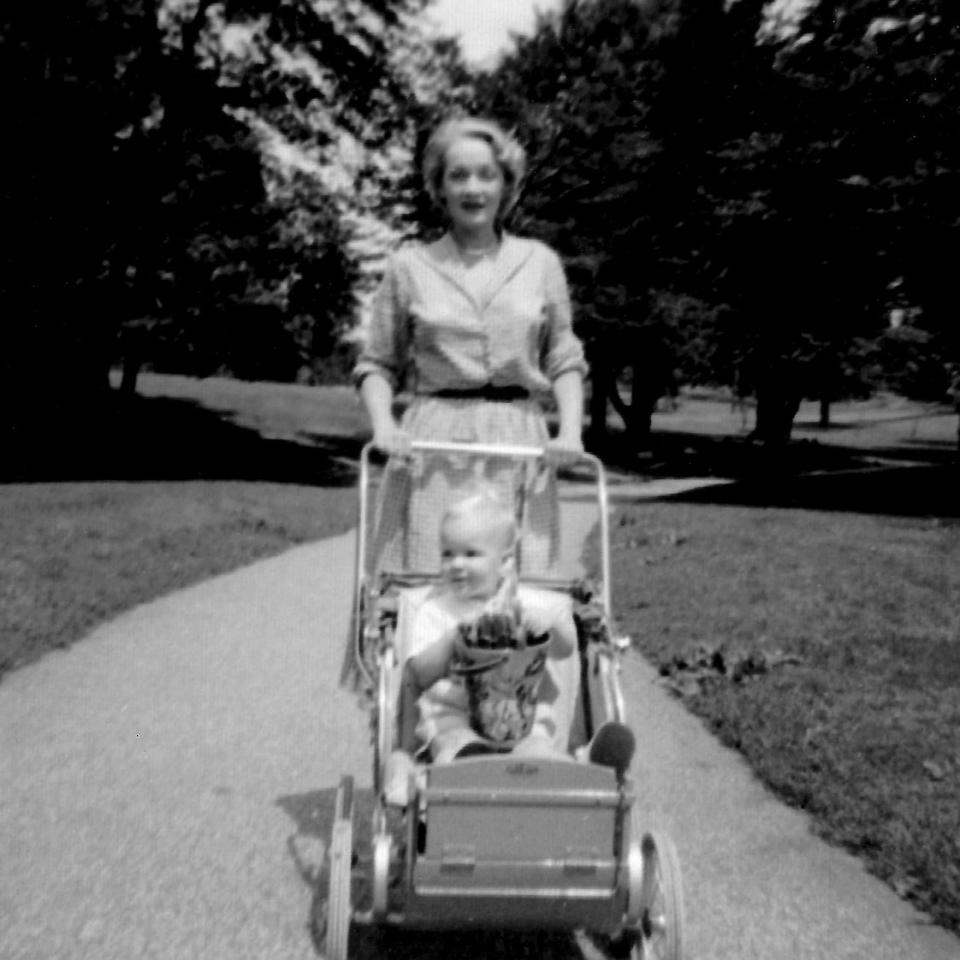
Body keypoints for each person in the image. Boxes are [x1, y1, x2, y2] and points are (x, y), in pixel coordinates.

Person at [354, 115, 588, 581]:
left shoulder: (539, 263)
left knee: (521, 588)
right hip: (431, 447)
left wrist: (570, 433)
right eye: (457, 175)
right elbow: (377, 363)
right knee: (421, 584)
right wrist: (384, 426)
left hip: (519, 442)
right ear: (439, 187)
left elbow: (563, 357)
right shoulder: (410, 266)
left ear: (506, 184)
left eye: (486, 174)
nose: (472, 188)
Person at [393, 488, 579, 770]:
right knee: (455, 743)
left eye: (470, 554)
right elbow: (417, 674)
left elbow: (566, 650)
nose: (456, 564)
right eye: (447, 554)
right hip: (455, 717)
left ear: (504, 562)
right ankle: (470, 761)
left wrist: (550, 625)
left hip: (521, 720)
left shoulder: (525, 605)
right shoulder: (436, 610)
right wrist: (453, 640)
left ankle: (566, 767)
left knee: (536, 747)